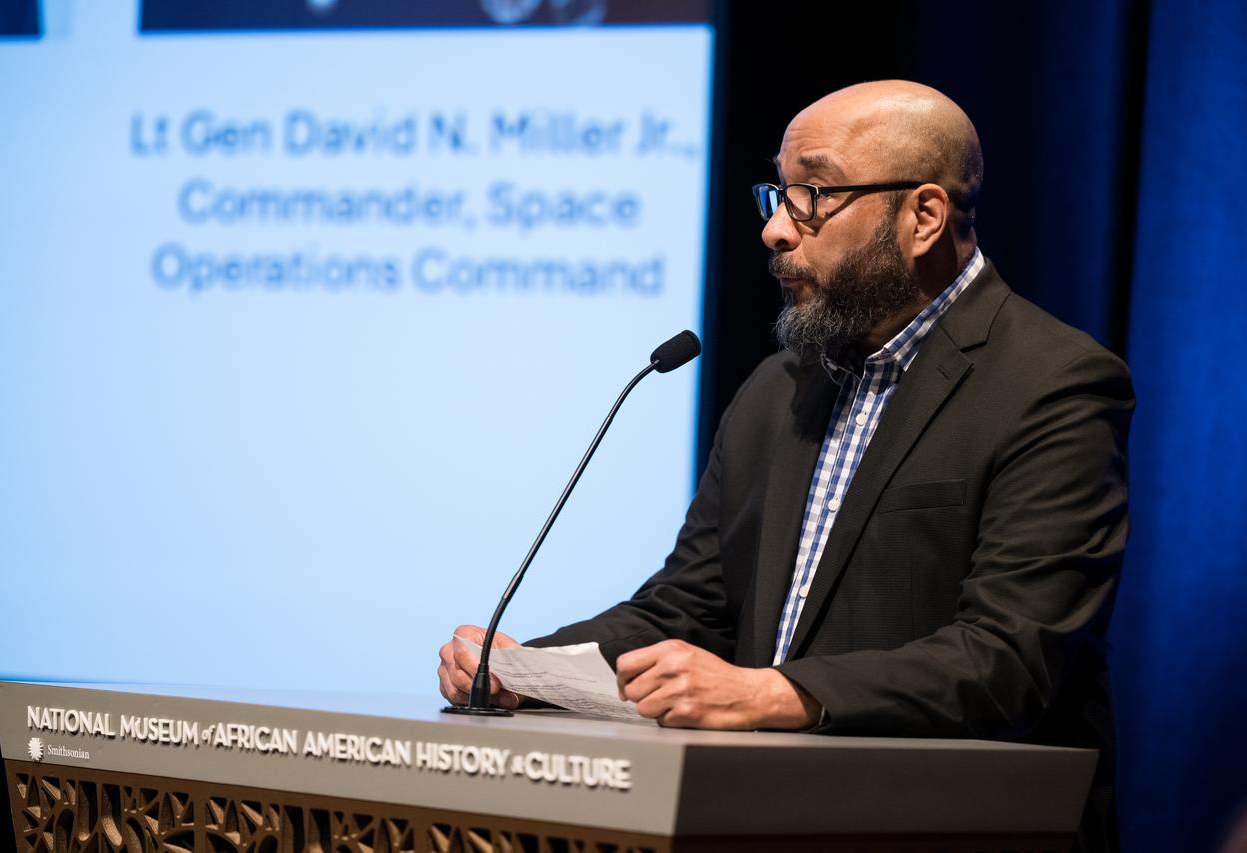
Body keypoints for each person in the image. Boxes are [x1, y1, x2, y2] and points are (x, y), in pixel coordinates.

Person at [438, 80, 1132, 850]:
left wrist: (772, 692)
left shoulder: (1052, 385)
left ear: (924, 217)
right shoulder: (779, 388)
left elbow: (1010, 658)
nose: (775, 229)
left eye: (814, 196)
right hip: (771, 821)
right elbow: (691, 606)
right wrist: (524, 671)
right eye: (779, 194)